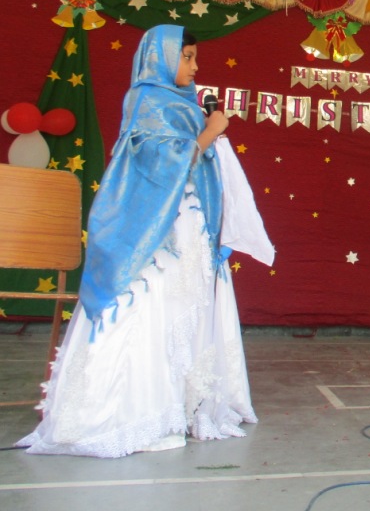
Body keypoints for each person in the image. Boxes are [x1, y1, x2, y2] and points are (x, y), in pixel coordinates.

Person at [18, 25, 257, 457]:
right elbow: (161, 163)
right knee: (148, 310)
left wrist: (208, 134)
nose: (194, 67)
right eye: (187, 57)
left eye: (195, 58)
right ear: (161, 57)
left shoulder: (184, 103)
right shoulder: (147, 99)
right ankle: (128, 414)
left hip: (188, 224)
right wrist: (210, 132)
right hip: (155, 232)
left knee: (181, 315)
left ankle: (178, 405)